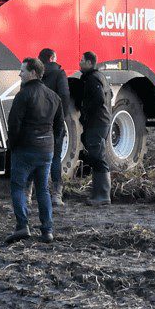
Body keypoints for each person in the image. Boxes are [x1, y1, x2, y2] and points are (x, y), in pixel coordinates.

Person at [6, 57, 64, 244]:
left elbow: (14, 124)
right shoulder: (54, 97)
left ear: (32, 73)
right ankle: (47, 230)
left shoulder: (23, 95)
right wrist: (52, 146)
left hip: (25, 148)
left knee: (18, 187)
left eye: (22, 70)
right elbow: (59, 127)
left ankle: (22, 225)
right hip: (46, 149)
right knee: (43, 190)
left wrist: (12, 145)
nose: (19, 73)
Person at [38, 48, 71, 207]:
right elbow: (64, 95)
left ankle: (31, 193)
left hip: (38, 122)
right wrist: (62, 117)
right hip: (54, 122)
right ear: (52, 58)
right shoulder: (59, 74)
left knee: (36, 157)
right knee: (55, 157)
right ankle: (56, 195)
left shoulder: (36, 73)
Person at [79, 51, 113, 206]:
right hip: (102, 122)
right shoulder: (100, 77)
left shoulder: (92, 79)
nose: (79, 63)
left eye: (82, 60)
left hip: (97, 123)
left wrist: (86, 113)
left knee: (98, 157)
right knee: (96, 156)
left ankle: (103, 195)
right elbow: (109, 95)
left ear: (90, 63)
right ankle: (98, 194)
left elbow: (99, 99)